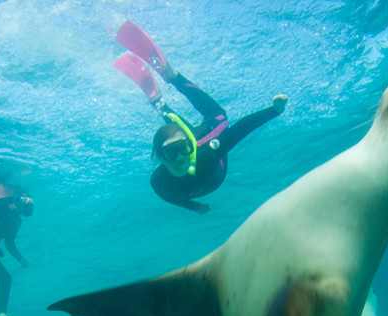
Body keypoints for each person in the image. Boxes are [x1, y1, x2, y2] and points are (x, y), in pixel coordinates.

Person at [114, 20, 287, 212]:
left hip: (201, 149)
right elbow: (169, 196)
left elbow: (241, 130)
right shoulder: (158, 181)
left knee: (210, 125)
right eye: (170, 152)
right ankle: (161, 101)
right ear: (160, 158)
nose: (179, 158)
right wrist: (193, 206)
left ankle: (170, 84)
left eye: (182, 149)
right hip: (208, 164)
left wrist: (274, 111)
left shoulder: (207, 153)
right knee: (207, 123)